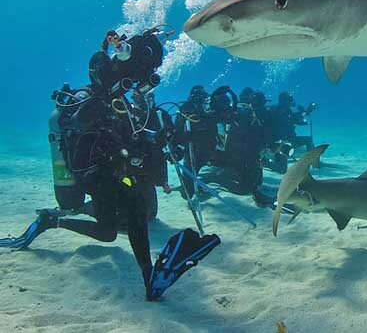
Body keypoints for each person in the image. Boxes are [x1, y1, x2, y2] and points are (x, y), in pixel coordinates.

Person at [1, 30, 220, 301]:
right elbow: (82, 120)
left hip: (117, 168)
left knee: (121, 224)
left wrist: (157, 136)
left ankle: (56, 222)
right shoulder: (88, 97)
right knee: (121, 222)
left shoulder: (119, 100)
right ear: (98, 74)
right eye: (106, 73)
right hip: (93, 172)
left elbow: (132, 131)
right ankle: (147, 277)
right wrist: (104, 97)